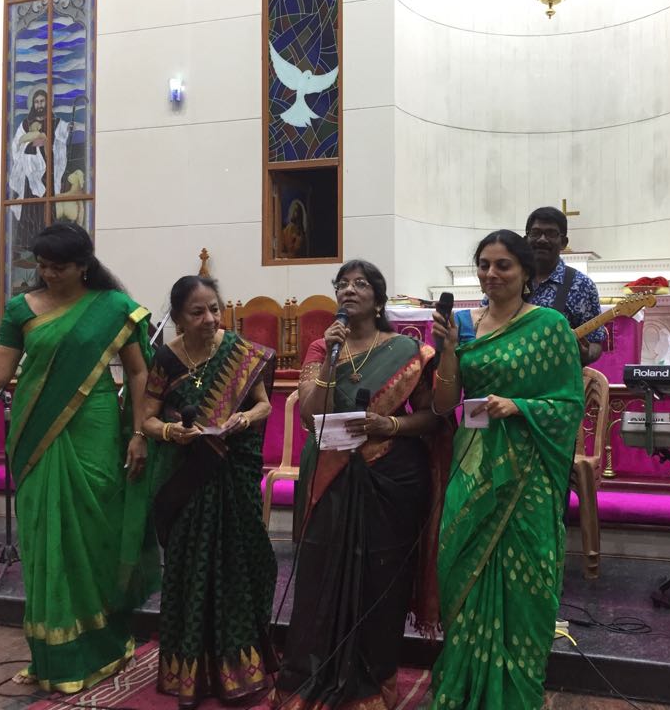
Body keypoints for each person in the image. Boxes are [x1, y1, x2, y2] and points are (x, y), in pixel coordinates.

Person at [0, 222, 158, 692]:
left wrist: (139, 433)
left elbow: (139, 374)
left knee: (94, 532)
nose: (49, 274)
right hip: (36, 432)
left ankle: (103, 646)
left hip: (95, 428)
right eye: (42, 265)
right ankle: (53, 655)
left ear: (83, 265)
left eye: (59, 267)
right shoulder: (21, 308)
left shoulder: (113, 307)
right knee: (42, 539)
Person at [273, 260, 448, 710]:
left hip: (391, 480)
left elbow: (432, 417)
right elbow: (311, 414)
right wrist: (329, 363)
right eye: (343, 284)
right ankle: (315, 675)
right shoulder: (322, 348)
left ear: (379, 299)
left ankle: (371, 682)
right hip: (329, 474)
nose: (349, 290)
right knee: (320, 578)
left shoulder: (407, 351)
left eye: (361, 284)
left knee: (380, 579)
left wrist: (391, 425)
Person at [429, 230, 585, 709]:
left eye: (503, 265)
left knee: (525, 580)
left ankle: (512, 694)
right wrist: (448, 350)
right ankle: (463, 687)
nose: (491, 274)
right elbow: (443, 404)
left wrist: (519, 406)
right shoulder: (462, 323)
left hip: (527, 472)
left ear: (524, 273)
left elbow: (569, 405)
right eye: (483, 265)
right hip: (474, 462)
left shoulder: (549, 326)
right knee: (459, 565)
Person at [141, 276, 278, 708]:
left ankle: (241, 669)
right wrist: (171, 432)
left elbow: (264, 404)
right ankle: (190, 674)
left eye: (215, 309)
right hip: (189, 477)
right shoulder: (166, 358)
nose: (210, 318)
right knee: (189, 566)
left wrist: (244, 419)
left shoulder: (238, 351)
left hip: (233, 472)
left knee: (240, 562)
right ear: (178, 318)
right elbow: (147, 418)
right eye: (197, 312)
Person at [523, 206, 606, 365]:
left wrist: (586, 354)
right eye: (535, 233)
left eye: (551, 233)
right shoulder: (509, 278)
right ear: (526, 239)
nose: (542, 239)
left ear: (563, 242)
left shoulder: (581, 285)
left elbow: (596, 341)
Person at [8, 88, 70, 199]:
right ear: (33, 104)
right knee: (31, 198)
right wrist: (32, 141)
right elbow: (16, 144)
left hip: (49, 168)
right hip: (30, 169)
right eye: (36, 102)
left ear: (47, 102)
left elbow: (63, 133)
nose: (39, 105)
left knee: (48, 197)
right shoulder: (25, 124)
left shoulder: (55, 122)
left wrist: (68, 127)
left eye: (42, 101)